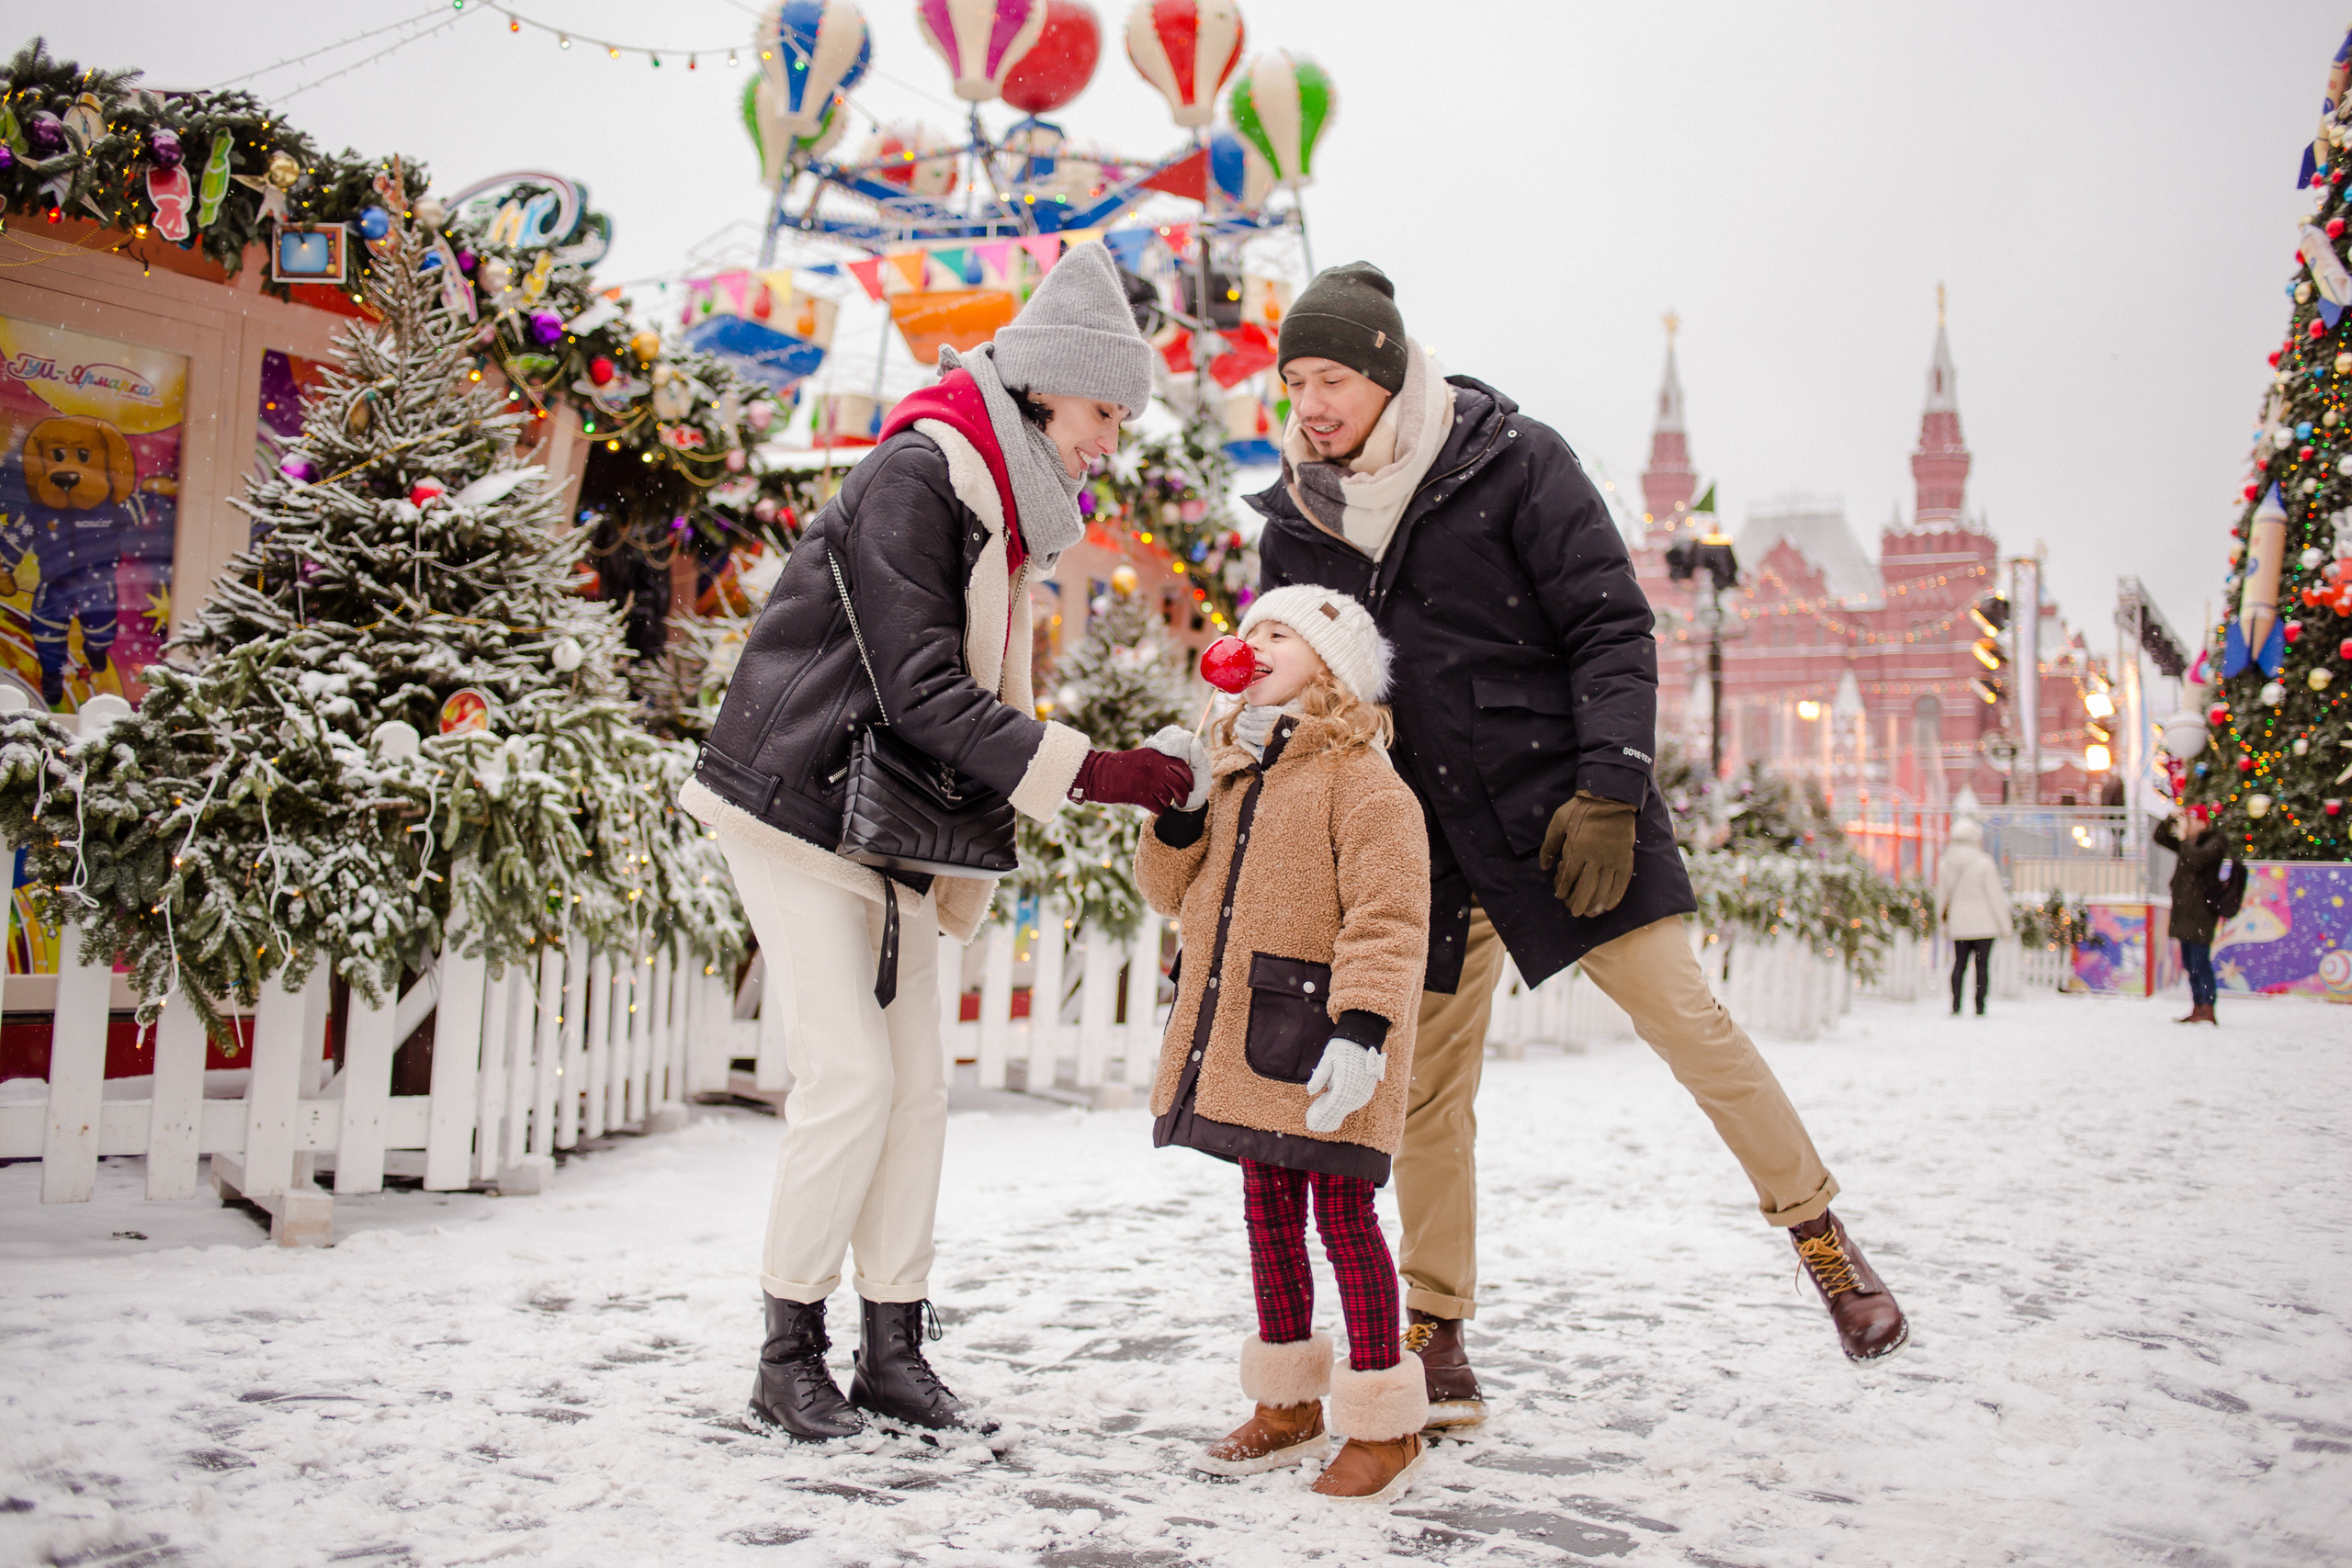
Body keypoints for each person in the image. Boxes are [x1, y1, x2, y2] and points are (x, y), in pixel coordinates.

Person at [1250, 262, 1911, 1422]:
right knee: (1427, 1094)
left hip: (1565, 817)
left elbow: (1610, 623)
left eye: (1332, 377)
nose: (1310, 402)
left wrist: (1610, 786)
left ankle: (1821, 1239)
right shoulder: (1300, 524)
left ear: (1388, 369)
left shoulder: (1513, 462)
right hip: (1428, 842)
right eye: (1294, 379)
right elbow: (1304, 686)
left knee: (1689, 1022)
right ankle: (1435, 1322)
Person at [682, 243, 1194, 1440]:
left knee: (917, 1087)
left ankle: (893, 1346)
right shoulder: (920, 475)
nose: (1112, 440)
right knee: (850, 1077)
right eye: (1107, 409)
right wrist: (1104, 773)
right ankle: (786, 1348)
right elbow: (922, 692)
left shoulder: (999, 506)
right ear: (1050, 382)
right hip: (794, 802)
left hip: (883, 822)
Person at [1134, 586, 1434, 1503]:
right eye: (1250, 628)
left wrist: (1362, 1032)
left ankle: (1386, 1424)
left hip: (1330, 1041)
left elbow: (1388, 919)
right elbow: (1167, 890)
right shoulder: (1231, 767)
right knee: (1267, 1215)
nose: (1252, 643)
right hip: (1248, 1039)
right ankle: (1289, 1405)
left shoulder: (1364, 780)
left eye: (1280, 633)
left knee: (1342, 1221)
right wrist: (1179, 811)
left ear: (1332, 664)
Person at [2154, 807, 2226, 1025]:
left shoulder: (2215, 841)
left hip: (2201, 913)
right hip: (2185, 913)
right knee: (2189, 963)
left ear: (2204, 822)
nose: (2189, 824)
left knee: (2200, 962)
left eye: (2192, 820)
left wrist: (2185, 837)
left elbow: (2198, 860)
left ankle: (2207, 1007)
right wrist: (2170, 819)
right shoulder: (2188, 844)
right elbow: (2160, 837)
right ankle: (2198, 1006)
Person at [1936, 818, 2011, 1016]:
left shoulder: (1945, 863)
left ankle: (1956, 1005)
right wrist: (2006, 927)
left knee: (1958, 964)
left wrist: (1941, 923)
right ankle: (1980, 1006)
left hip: (1958, 924)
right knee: (1982, 966)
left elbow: (1941, 897)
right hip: (1985, 925)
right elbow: (1995, 897)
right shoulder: (1984, 863)